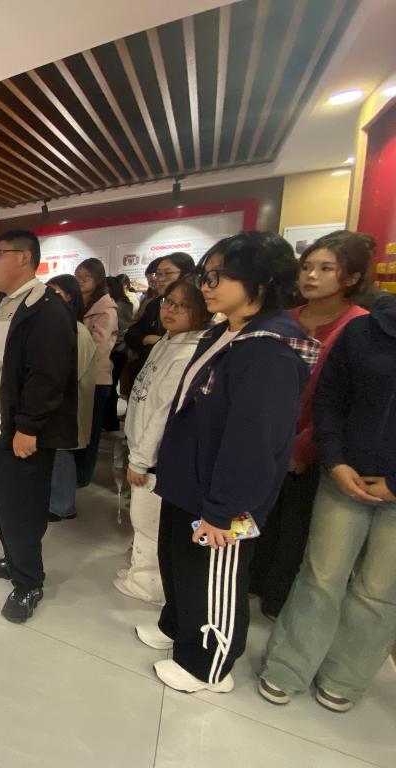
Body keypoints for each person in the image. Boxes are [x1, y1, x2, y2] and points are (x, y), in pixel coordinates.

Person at [134, 232, 317, 694]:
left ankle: (209, 665)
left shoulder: (271, 349)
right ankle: (178, 626)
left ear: (261, 280)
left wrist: (224, 509)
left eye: (218, 275)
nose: (206, 285)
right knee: (180, 563)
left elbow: (255, 441)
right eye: (206, 275)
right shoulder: (225, 331)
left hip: (221, 495)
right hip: (188, 480)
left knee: (215, 576)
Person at [258, 299, 396, 713]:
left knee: (379, 590)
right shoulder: (366, 329)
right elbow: (329, 398)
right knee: (320, 575)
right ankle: (288, 666)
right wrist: (335, 460)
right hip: (345, 475)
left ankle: (344, 677)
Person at [249, 231, 370, 620]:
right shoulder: (285, 319)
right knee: (261, 517)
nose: (312, 276)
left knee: (298, 528)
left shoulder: (360, 326)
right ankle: (253, 582)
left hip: (319, 447)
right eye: (307, 267)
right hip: (270, 437)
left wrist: (305, 446)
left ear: (352, 277)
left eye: (326, 268)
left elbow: (344, 399)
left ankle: (279, 599)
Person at [0, 230, 77, 623]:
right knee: (4, 503)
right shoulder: (7, 304)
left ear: (24, 257)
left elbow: (47, 375)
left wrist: (29, 426)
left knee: (22, 508)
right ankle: (15, 558)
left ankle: (29, 581)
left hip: (18, 432)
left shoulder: (45, 308)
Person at [115, 279, 211, 604]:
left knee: (149, 521)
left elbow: (163, 413)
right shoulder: (167, 341)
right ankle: (139, 571)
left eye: (182, 305)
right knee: (141, 518)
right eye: (169, 302)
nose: (171, 310)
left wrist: (141, 460)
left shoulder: (188, 353)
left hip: (155, 457)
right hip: (141, 445)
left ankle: (149, 584)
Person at [47, 275, 97, 523]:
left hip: (67, 404)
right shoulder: (59, 326)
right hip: (56, 402)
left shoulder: (78, 331)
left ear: (70, 297)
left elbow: (69, 373)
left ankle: (62, 505)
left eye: (56, 293)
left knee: (62, 453)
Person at [73, 258, 118, 488]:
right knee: (78, 428)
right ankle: (75, 471)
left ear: (98, 279)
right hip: (76, 375)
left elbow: (98, 347)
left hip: (95, 377)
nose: (80, 281)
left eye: (86, 277)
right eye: (78, 276)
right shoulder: (79, 302)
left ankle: (83, 475)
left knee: (89, 430)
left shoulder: (106, 308)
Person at [124, 252, 196, 370]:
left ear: (187, 274)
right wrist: (147, 339)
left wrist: (161, 341)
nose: (160, 279)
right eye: (158, 274)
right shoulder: (155, 304)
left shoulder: (199, 307)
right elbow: (131, 335)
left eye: (168, 273)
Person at [103, 275, 134, 432]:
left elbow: (122, 330)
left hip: (117, 351)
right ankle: (108, 421)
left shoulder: (122, 305)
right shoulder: (111, 303)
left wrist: (111, 345)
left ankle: (110, 422)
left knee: (110, 385)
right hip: (111, 350)